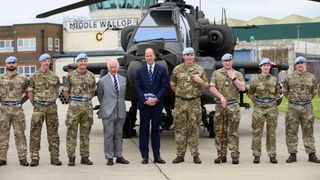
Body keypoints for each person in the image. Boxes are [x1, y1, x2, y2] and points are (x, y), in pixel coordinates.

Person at [170, 47, 209, 164]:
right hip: (180, 103)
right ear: (183, 56)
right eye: (187, 55)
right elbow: (172, 84)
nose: (189, 57)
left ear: (193, 56)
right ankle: (180, 155)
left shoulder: (199, 69)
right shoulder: (177, 69)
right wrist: (181, 94)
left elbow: (206, 86)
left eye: (191, 55)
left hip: (194, 103)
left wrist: (199, 81)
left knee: (194, 129)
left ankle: (195, 155)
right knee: (180, 129)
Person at [209, 53, 245, 164]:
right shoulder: (216, 73)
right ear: (222, 62)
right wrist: (221, 97)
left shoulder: (237, 74)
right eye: (225, 61)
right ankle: (221, 155)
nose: (227, 62)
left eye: (229, 60)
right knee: (220, 131)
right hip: (221, 106)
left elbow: (242, 88)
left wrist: (233, 78)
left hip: (233, 106)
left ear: (232, 62)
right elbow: (211, 87)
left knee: (233, 131)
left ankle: (234, 154)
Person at [283, 56, 320, 163]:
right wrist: (294, 100)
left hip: (307, 107)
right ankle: (292, 154)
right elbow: (285, 91)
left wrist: (305, 100)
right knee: (291, 130)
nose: (300, 65)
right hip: (293, 108)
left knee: (308, 130)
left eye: (302, 63)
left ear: (304, 64)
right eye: (298, 63)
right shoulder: (289, 77)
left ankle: (311, 154)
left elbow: (314, 92)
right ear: (296, 65)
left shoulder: (311, 77)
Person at [135, 48, 168, 164]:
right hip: (145, 106)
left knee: (156, 131)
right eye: (147, 56)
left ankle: (157, 156)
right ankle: (144, 156)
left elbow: (164, 86)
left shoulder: (162, 70)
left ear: (154, 56)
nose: (149, 58)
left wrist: (156, 98)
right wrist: (145, 100)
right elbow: (138, 88)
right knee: (143, 131)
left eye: (151, 55)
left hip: (156, 105)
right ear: (145, 57)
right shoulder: (139, 71)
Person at [28, 53, 62, 166]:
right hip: (39, 107)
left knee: (53, 133)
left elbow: (57, 90)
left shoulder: (54, 77)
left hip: (51, 107)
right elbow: (30, 92)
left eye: (48, 61)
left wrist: (51, 100)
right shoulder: (34, 76)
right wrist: (36, 104)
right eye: (44, 61)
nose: (47, 63)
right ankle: (34, 157)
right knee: (35, 133)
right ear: (40, 62)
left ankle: (55, 157)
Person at [63, 53, 96, 166]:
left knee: (85, 134)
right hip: (74, 107)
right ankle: (71, 157)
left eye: (84, 61)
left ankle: (85, 157)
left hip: (87, 107)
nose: (82, 63)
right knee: (71, 133)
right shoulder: (70, 75)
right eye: (80, 61)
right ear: (77, 62)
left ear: (87, 62)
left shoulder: (91, 76)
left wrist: (85, 100)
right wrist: (72, 102)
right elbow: (66, 91)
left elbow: (93, 91)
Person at [97, 58, 129, 166]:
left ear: (118, 67)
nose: (113, 69)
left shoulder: (123, 79)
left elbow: (122, 95)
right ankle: (109, 157)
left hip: (120, 110)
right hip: (108, 111)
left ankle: (119, 155)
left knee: (119, 135)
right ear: (108, 68)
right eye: (111, 67)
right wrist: (106, 106)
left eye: (115, 67)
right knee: (109, 135)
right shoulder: (102, 81)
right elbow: (100, 96)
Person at [247, 58, 280, 164]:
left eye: (268, 65)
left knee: (271, 132)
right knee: (257, 132)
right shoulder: (255, 80)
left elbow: (278, 93)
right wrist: (255, 103)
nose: (266, 67)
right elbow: (250, 92)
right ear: (261, 67)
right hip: (259, 107)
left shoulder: (274, 80)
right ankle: (256, 155)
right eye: (264, 65)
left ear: (270, 67)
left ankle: (272, 154)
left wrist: (273, 101)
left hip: (271, 107)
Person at [0, 56, 29, 166]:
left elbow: (28, 92)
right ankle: (2, 158)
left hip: (17, 109)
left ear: (16, 64)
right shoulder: (1, 78)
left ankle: (23, 158)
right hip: (4, 109)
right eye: (9, 63)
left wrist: (20, 102)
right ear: (6, 65)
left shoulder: (23, 78)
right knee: (3, 134)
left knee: (20, 134)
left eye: (13, 63)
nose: (11, 64)